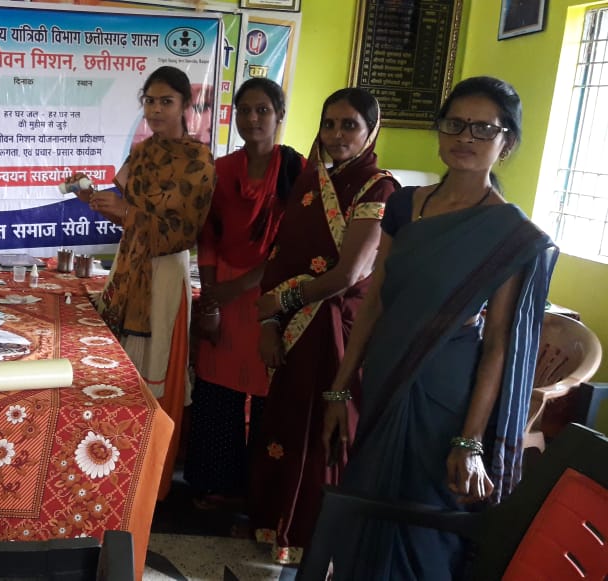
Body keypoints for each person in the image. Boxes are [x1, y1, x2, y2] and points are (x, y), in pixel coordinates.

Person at [321, 77, 557, 580]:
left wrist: (470, 442)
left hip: (444, 396)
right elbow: (375, 302)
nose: (465, 137)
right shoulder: (405, 205)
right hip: (383, 377)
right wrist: (339, 390)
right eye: (454, 124)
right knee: (367, 502)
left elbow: (497, 345)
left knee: (424, 522)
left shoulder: (509, 233)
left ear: (506, 142)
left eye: (483, 128)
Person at [250, 88, 399, 564]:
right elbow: (281, 257)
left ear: (371, 131)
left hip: (339, 331)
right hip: (294, 331)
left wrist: (283, 301)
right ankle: (275, 525)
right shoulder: (312, 181)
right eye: (329, 124)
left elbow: (350, 274)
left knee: (323, 435)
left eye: (349, 125)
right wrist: (269, 320)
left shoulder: (379, 188)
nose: (336, 135)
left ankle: (312, 542)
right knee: (285, 426)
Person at [67, 66, 215, 498]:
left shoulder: (198, 161)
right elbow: (128, 215)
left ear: (186, 105)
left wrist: (126, 213)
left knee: (153, 375)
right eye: (149, 101)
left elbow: (182, 232)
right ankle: (113, 476)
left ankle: (150, 484)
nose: (155, 109)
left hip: (164, 276)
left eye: (166, 101)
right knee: (119, 373)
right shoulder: (143, 153)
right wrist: (92, 198)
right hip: (129, 268)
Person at [183, 78, 305, 507]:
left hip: (272, 294)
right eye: (245, 110)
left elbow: (295, 245)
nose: (252, 119)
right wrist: (212, 295)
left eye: (263, 110)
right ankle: (217, 484)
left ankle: (261, 492)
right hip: (222, 292)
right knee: (217, 389)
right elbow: (208, 236)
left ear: (279, 115)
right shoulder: (222, 170)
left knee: (269, 394)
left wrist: (238, 286)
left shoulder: (297, 171)